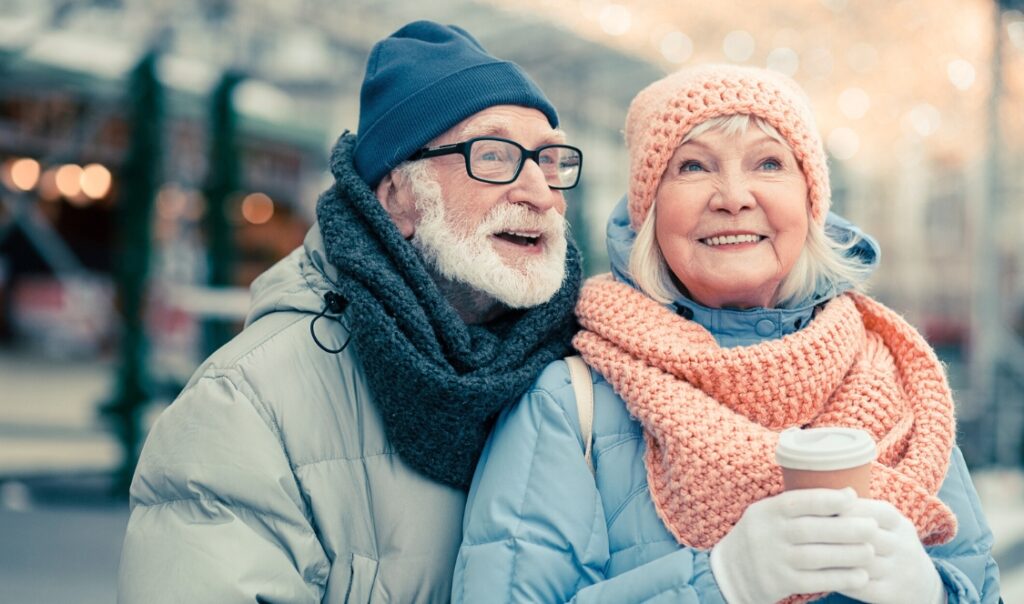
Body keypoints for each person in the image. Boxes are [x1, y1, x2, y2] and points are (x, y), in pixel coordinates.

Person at [454, 64, 1000, 603]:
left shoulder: (899, 383)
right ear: (649, 212)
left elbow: (979, 584)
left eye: (768, 162)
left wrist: (937, 593)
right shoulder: (569, 405)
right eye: (693, 167)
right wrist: (720, 583)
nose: (733, 196)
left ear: (811, 203)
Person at [118, 20, 584, 603]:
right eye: (494, 156)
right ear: (399, 197)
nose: (540, 192)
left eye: (550, 161)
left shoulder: (589, 375)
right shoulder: (244, 404)